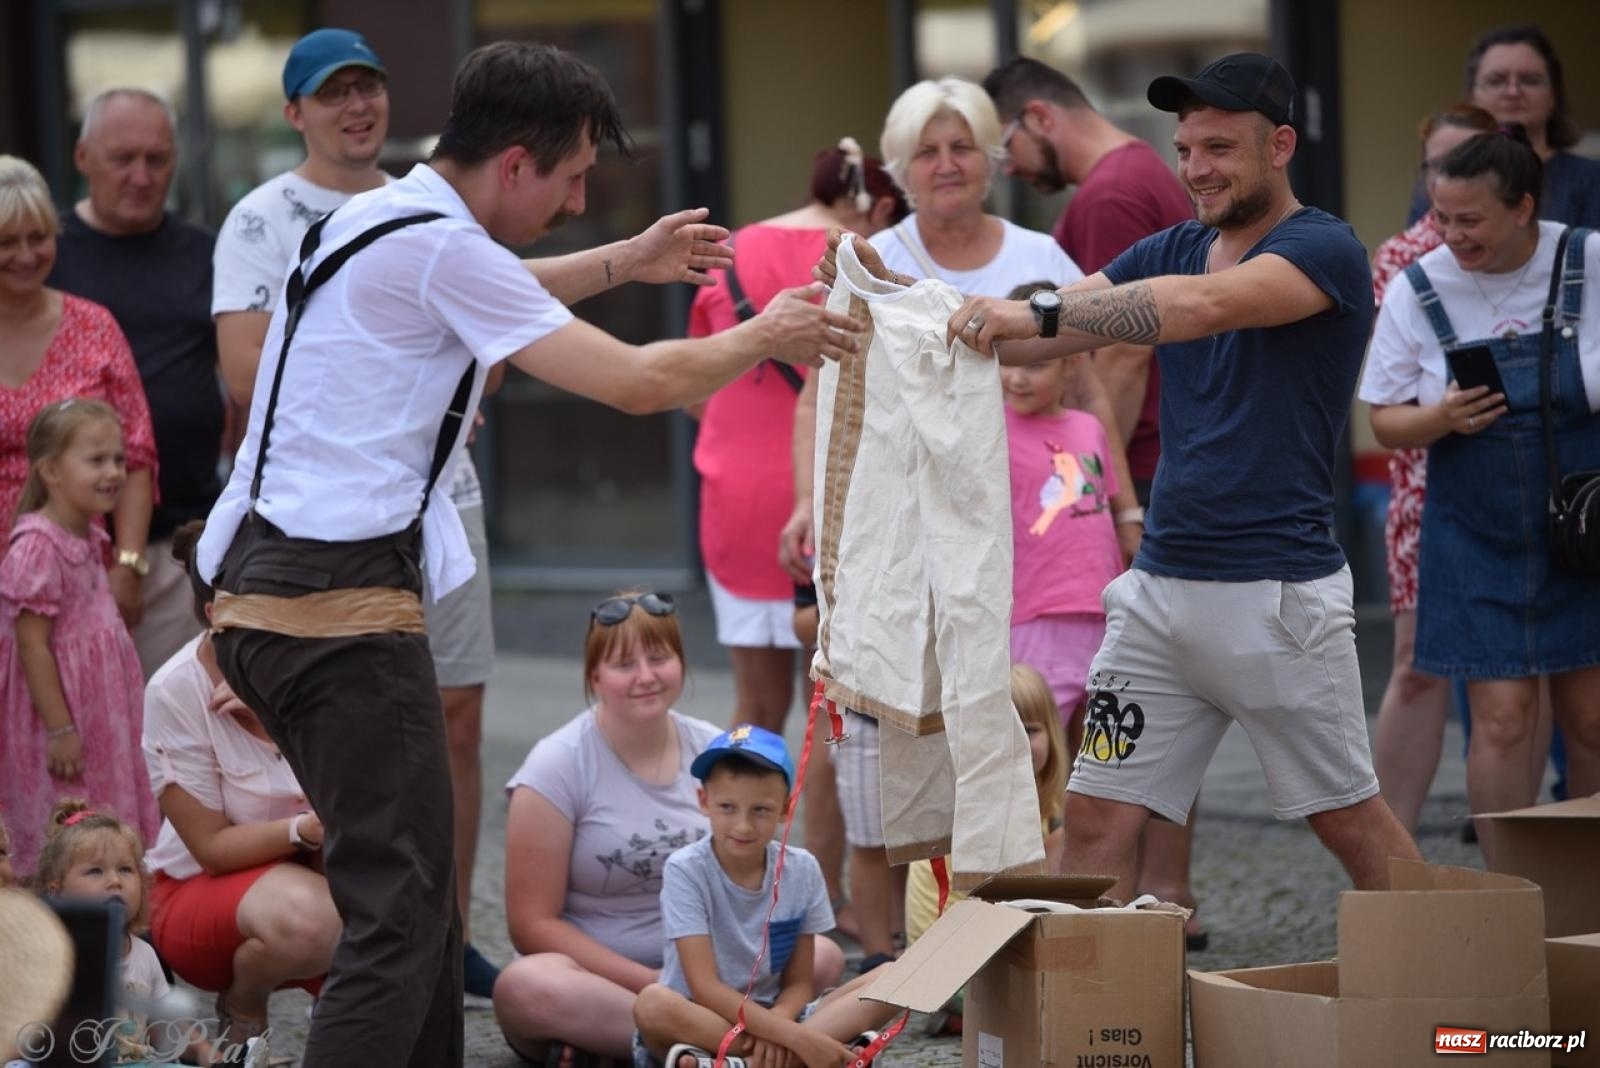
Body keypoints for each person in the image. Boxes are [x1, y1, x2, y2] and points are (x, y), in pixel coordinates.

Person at [194, 42, 859, 1068]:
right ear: (513, 164)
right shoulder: (435, 246)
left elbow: (491, 287)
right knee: (401, 913)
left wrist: (625, 261)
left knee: (413, 902)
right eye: (573, 175)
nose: (580, 197)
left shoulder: (380, 217)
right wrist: (764, 335)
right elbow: (641, 382)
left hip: (274, 591)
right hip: (330, 607)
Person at [842, 52, 1423, 898]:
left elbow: (1196, 307)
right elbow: (1045, 334)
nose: (1196, 170)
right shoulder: (1176, 243)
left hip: (1276, 601)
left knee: (1347, 819)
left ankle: (1458, 996)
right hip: (1157, 603)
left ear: (1281, 145)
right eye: (1186, 150)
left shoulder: (1323, 247)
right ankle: (1087, 1021)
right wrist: (887, 298)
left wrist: (1035, 308)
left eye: (1219, 149)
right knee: (1096, 812)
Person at [209, 28, 514, 998]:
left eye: (370, 89)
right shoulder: (264, 218)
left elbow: (495, 349)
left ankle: (446, 928)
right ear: (294, 111)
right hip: (328, 528)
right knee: (361, 730)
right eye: (333, 93)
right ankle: (369, 935)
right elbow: (252, 375)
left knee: (455, 717)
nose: (358, 108)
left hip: (439, 496)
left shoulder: (422, 207)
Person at [984, 56, 1207, 945]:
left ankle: (1136, 899)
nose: (1010, 167)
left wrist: (1105, 468)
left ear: (1039, 117)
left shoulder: (1109, 196)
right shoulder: (1139, 175)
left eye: (1004, 144)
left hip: (1123, 486)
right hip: (1054, 579)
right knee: (1095, 733)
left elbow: (1116, 350)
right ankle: (1138, 896)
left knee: (1119, 731)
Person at [689, 139, 906, 944]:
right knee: (832, 709)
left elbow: (698, 375)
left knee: (755, 704)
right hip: (830, 491)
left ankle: (744, 891)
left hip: (737, 493)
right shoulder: (871, 256)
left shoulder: (734, 252)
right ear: (877, 203)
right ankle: (826, 900)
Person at [1360, 126, 1600, 853]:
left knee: (1591, 717)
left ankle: (1588, 899)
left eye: (1471, 221)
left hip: (1585, 526)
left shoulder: (1586, 259)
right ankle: (1516, 897)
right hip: (1474, 530)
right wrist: (1439, 417)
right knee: (1501, 717)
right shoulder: (1419, 284)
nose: (1451, 236)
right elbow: (1383, 422)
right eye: (1442, 218)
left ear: (1524, 207)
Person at [495, 592, 846, 1064]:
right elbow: (531, 925)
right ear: (594, 675)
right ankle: (765, 1045)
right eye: (624, 665)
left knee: (823, 954)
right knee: (525, 987)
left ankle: (679, 1048)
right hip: (610, 979)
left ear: (681, 664)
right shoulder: (556, 765)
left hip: (721, 974)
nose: (645, 676)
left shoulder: (711, 747)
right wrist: (663, 983)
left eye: (659, 659)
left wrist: (713, 983)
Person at [142, 520, 337, 1052]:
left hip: (320, 875)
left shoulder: (322, 668)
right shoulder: (175, 690)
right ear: (217, 614)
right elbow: (211, 849)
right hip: (198, 891)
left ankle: (348, 1021)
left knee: (405, 909)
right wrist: (308, 829)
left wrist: (277, 722)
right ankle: (245, 1000)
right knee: (317, 918)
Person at [47, 89, 221, 678]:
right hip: (65, 545)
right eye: (123, 158)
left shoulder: (206, 255)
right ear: (82, 157)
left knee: (172, 741)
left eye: (158, 158)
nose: (142, 176)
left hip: (180, 541)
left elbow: (248, 382)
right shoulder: (43, 257)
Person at [1365, 105, 1499, 834]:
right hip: (1426, 473)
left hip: (1525, 472)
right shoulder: (1403, 256)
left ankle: (1521, 844)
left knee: (1512, 679)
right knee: (1418, 661)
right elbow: (1393, 392)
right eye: (1437, 166)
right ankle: (1392, 851)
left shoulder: (1555, 253)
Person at [632, 725, 897, 1068]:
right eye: (727, 807)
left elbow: (800, 982)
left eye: (759, 810)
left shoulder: (802, 869)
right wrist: (797, 1038)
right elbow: (704, 988)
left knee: (892, 977)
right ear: (704, 802)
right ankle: (811, 1054)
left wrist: (784, 1026)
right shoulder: (685, 869)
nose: (742, 826)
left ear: (785, 809)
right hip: (703, 1019)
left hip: (779, 1015)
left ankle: (739, 1064)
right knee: (652, 1004)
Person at [1, 399, 159, 878]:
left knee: (105, 806)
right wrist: (60, 730)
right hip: (62, 717)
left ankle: (113, 898)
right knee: (67, 813)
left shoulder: (91, 536)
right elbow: (31, 645)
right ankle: (62, 909)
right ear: (50, 470)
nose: (113, 472)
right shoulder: (37, 547)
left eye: (117, 459)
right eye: (96, 460)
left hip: (101, 716)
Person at [0, 156, 157, 573]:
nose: (25, 255)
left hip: (78, 574)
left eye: (38, 237)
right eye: (6, 242)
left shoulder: (93, 325)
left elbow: (137, 456)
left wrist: (128, 563)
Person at [32, 798, 217, 1066]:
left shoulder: (144, 954)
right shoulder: (49, 957)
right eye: (95, 871)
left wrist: (203, 1051)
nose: (115, 881)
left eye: (126, 869)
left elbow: (166, 1029)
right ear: (57, 891)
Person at [904, 662, 1067, 946]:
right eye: (1000, 734)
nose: (1016, 745)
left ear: (1052, 734)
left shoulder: (1043, 801)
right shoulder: (973, 805)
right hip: (949, 956)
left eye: (1029, 731)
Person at [1407, 26, 1600, 229]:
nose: (1513, 91)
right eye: (1496, 80)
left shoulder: (1591, 180)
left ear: (1553, 95)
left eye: (1529, 80)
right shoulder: (1442, 175)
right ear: (1471, 95)